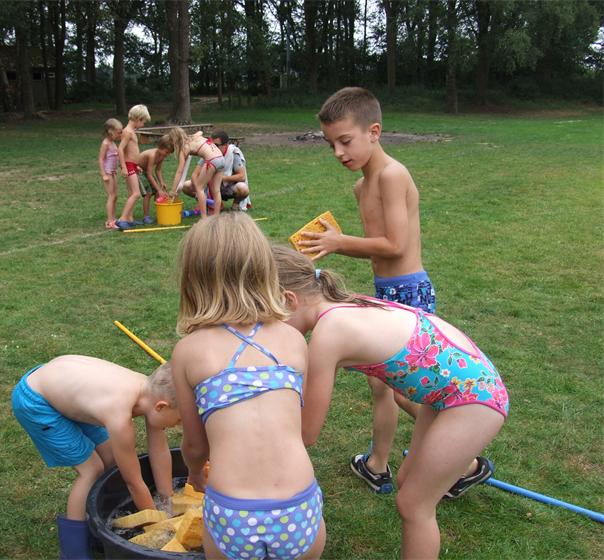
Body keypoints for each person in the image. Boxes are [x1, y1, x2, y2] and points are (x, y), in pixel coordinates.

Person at [272, 246, 508, 559]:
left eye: (269, 319)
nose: (270, 329)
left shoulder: (330, 333)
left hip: (472, 397)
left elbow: (307, 432)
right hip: (451, 391)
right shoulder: (345, 305)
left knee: (414, 505)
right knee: (407, 481)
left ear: (289, 300)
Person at [299, 86, 436, 494]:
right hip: (385, 291)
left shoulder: (393, 176)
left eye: (345, 141)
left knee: (405, 388)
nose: (338, 152)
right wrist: (334, 243)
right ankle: (377, 463)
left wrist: (340, 242)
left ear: (374, 132)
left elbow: (396, 245)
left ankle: (462, 459)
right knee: (381, 385)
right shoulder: (362, 186)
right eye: (331, 144)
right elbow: (379, 251)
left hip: (409, 293)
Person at [171, 213, 326, 560]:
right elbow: (294, 424)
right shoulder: (292, 340)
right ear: (264, 270)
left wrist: (195, 472)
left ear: (193, 279)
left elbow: (196, 444)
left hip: (233, 512)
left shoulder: (189, 352)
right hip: (297, 506)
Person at [11, 356, 179, 559]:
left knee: (112, 460)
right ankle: (73, 551)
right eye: (179, 419)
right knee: (92, 470)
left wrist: (166, 500)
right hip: (37, 400)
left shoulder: (150, 393)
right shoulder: (119, 415)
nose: (178, 425)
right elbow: (133, 482)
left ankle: (97, 527)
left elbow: (160, 452)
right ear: (161, 407)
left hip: (65, 389)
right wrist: (159, 527)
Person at [181, 131, 251, 212]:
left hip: (228, 187)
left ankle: (235, 206)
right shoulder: (209, 152)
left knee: (243, 189)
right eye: (211, 144)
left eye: (216, 145)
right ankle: (208, 202)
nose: (213, 147)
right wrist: (199, 192)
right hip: (209, 187)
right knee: (186, 186)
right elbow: (195, 174)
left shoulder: (233, 153)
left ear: (225, 145)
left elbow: (242, 176)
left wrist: (221, 178)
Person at [166, 128, 226, 218]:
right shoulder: (195, 136)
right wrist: (192, 136)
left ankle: (204, 218)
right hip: (221, 158)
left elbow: (179, 172)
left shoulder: (184, 149)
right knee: (216, 190)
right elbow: (201, 132)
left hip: (211, 161)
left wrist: (173, 190)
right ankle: (216, 217)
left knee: (199, 188)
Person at [116, 104, 151, 230]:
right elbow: (120, 149)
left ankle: (129, 218)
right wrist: (124, 167)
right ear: (138, 118)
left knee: (131, 193)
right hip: (128, 165)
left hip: (132, 165)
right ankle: (122, 219)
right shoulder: (127, 132)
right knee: (136, 194)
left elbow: (131, 151)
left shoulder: (132, 131)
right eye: (143, 121)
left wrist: (136, 166)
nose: (143, 124)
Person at [133, 134, 173, 224]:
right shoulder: (152, 155)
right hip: (138, 171)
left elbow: (158, 170)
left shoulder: (162, 155)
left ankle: (160, 211)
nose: (167, 155)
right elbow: (149, 174)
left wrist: (162, 182)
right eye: (167, 152)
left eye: (169, 153)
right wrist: (159, 189)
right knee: (148, 193)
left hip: (146, 172)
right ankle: (146, 217)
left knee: (157, 192)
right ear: (160, 147)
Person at [98, 118, 123, 230]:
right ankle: (109, 221)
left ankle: (113, 218)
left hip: (113, 172)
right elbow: (101, 159)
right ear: (110, 131)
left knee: (115, 196)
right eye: (118, 132)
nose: (119, 135)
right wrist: (103, 174)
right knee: (111, 196)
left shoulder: (112, 143)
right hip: (108, 173)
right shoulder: (105, 143)